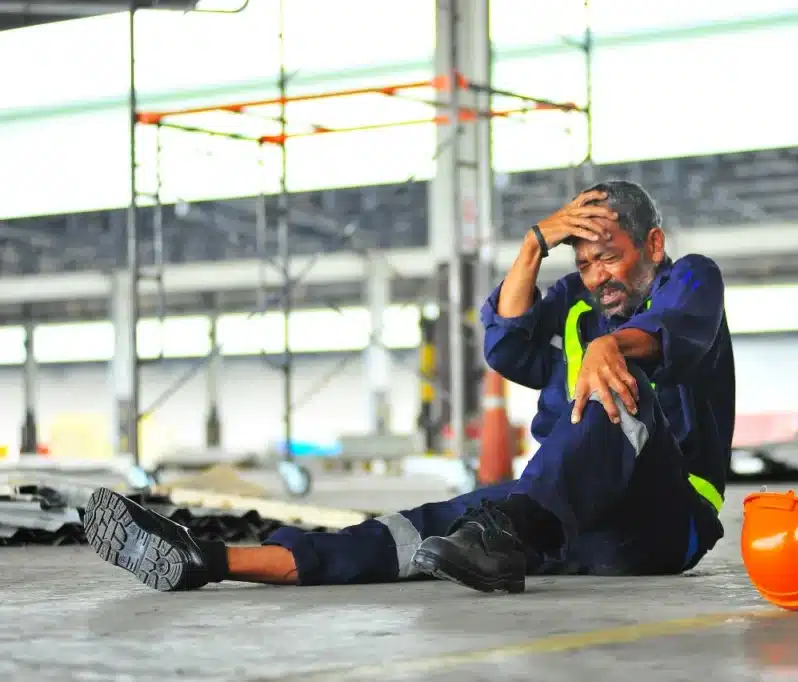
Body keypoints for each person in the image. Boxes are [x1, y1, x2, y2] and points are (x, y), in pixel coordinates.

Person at [83, 180, 735, 594]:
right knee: (420, 532)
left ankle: (505, 529)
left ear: (652, 243)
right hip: (561, 519)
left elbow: (679, 333)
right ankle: (211, 562)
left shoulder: (691, 279)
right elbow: (505, 344)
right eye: (584, 260)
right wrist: (535, 246)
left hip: (665, 521)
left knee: (616, 389)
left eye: (611, 255)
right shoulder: (572, 303)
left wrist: (606, 346)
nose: (597, 275)